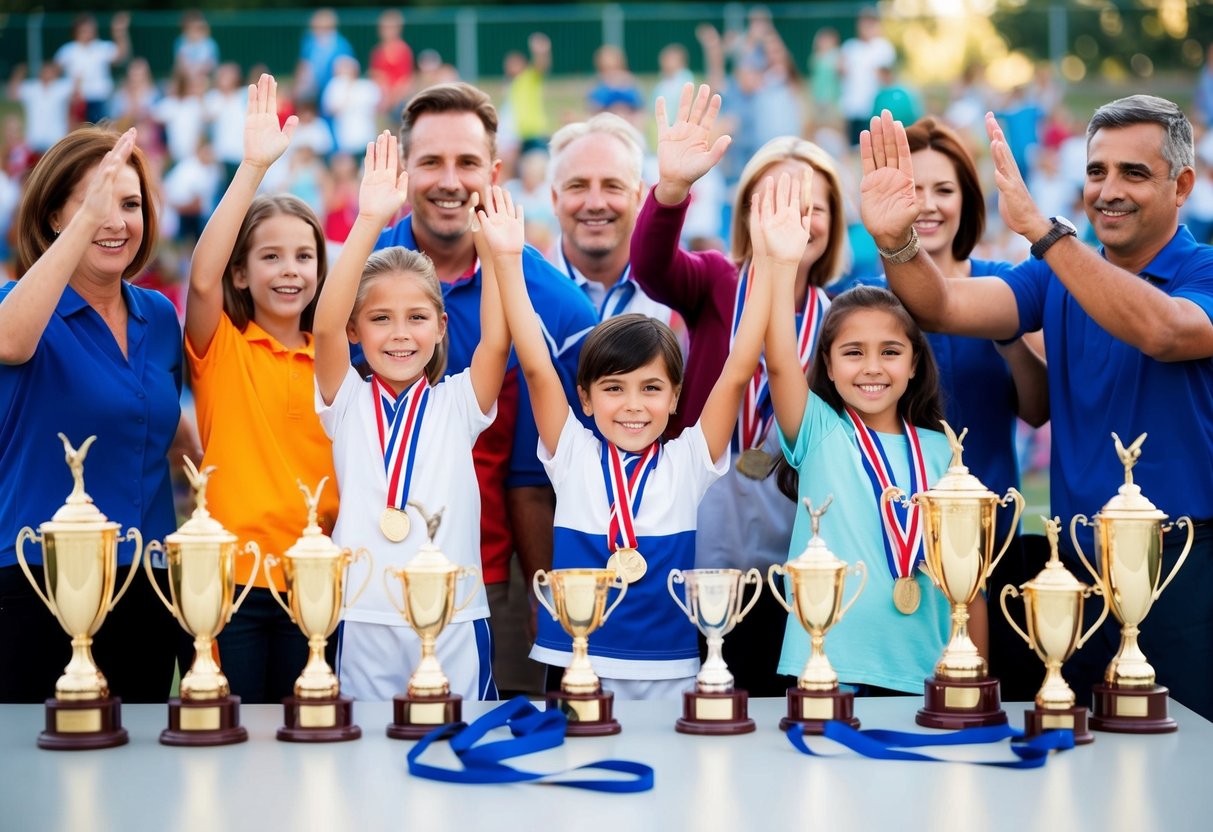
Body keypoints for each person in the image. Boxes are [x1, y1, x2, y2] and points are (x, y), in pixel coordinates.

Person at [859, 97, 1213, 718]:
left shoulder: (1202, 270)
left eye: (1134, 173)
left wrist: (1045, 235)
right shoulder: (1053, 276)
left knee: (1185, 756)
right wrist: (897, 243)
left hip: (1181, 565)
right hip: (1071, 570)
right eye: (1097, 171)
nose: (1109, 190)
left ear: (1182, 184)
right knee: (1077, 754)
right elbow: (940, 305)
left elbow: (1165, 331)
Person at [482, 171, 802, 698]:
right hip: (575, 664)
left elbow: (740, 366)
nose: (633, 405)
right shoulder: (573, 452)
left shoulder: (688, 460)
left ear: (676, 398)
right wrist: (508, 261)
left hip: (670, 669)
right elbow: (538, 366)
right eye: (613, 388)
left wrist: (773, 263)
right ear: (584, 398)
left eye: (651, 388)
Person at [373, 83, 598, 697]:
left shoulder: (555, 306)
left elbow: (571, 473)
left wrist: (547, 591)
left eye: (467, 162)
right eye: (431, 162)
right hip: (365, 578)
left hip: (491, 582)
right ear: (403, 169)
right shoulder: (356, 278)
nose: (450, 180)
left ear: (494, 172)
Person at [630, 84, 848, 694]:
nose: (792, 215)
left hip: (799, 507)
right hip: (707, 500)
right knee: (708, 665)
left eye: (813, 204)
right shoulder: (715, 281)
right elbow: (650, 266)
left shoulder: (841, 316)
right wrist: (671, 190)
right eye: (772, 198)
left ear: (833, 222)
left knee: (782, 664)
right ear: (747, 212)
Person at [314, 130, 509, 702]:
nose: (400, 334)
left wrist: (493, 252)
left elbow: (496, 344)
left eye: (417, 317)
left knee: (460, 754)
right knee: (366, 768)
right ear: (356, 331)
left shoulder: (458, 403)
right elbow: (322, 325)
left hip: (454, 614)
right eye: (380, 319)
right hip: (364, 613)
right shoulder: (344, 399)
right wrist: (370, 219)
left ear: (442, 326)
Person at [0, 127, 182, 703]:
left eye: (130, 205)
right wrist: (89, 219)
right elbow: (10, 342)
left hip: (147, 584)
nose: (117, 221)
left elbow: (163, 427)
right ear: (56, 216)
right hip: (36, 582)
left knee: (141, 778)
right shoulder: (18, 304)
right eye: (96, 202)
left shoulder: (158, 315)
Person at [183, 75, 338, 704]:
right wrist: (252, 167)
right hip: (235, 583)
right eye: (270, 257)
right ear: (241, 273)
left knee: (311, 734)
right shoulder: (221, 346)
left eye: (304, 256)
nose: (290, 270)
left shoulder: (336, 360)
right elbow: (199, 280)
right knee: (239, 735)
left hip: (316, 580)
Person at [767, 285, 955, 693]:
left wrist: (970, 676)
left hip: (927, 669)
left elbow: (969, 586)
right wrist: (779, 263)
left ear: (914, 364)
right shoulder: (818, 430)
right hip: (828, 667)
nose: (872, 367)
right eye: (853, 352)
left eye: (890, 352)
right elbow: (780, 363)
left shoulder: (945, 450)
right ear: (829, 366)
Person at [549, 113, 674, 325]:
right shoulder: (521, 287)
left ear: (638, 196)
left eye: (612, 186)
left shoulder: (675, 292)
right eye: (577, 186)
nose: (595, 203)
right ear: (554, 199)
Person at [53, 13, 131, 126]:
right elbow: (54, 73)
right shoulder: (67, 50)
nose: (89, 33)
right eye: (85, 30)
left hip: (99, 98)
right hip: (77, 100)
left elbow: (120, 54)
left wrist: (120, 32)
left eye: (91, 29)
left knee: (101, 132)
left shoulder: (101, 47)